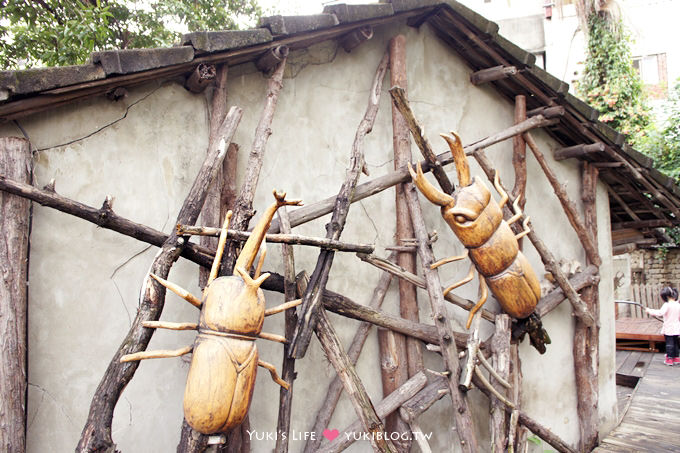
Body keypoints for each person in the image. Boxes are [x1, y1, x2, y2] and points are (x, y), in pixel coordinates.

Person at [646, 286, 680, 366]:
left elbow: (660, 313)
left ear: (666, 296)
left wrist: (649, 311)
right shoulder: (678, 305)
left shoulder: (667, 305)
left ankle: (669, 359)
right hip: (677, 328)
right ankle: (676, 358)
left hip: (669, 328)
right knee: (675, 343)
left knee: (669, 344)